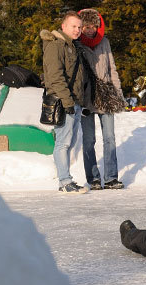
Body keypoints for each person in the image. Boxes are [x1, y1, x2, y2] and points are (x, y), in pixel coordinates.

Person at [40, 11, 93, 193]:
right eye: (74, 26)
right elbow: (55, 77)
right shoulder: (56, 46)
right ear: (63, 26)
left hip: (75, 102)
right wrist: (68, 101)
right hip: (64, 102)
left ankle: (66, 179)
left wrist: (80, 102)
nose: (77, 30)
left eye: (79, 27)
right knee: (62, 142)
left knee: (69, 142)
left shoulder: (72, 46)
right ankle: (64, 182)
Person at [78, 8, 124, 190]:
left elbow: (112, 68)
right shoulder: (77, 44)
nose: (90, 30)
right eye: (86, 26)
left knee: (109, 138)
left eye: (93, 26)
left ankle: (111, 177)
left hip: (107, 97)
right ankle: (93, 178)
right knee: (89, 140)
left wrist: (118, 93)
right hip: (87, 97)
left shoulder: (104, 42)